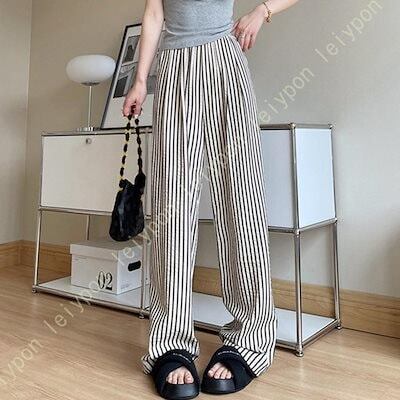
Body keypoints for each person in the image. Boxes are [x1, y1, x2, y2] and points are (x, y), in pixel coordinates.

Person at [123, 0, 299, 398]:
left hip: (224, 62)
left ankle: (250, 337)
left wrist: (262, 11)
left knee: (241, 198)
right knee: (172, 205)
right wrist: (140, 80)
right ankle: (170, 342)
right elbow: (154, 13)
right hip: (174, 69)